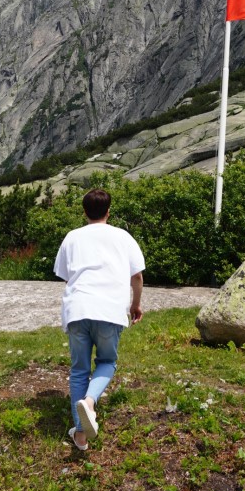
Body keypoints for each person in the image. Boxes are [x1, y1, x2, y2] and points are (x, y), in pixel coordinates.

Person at [53, 188, 145, 450]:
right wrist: (135, 304)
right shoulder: (122, 237)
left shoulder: (72, 237)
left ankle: (80, 435)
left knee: (79, 369)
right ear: (108, 211)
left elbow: (67, 275)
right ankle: (91, 402)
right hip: (109, 310)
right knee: (106, 361)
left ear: (84, 212)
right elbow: (137, 277)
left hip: (78, 309)